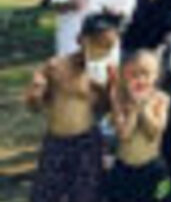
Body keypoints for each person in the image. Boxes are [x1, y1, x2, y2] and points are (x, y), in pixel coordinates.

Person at [26, 12, 121, 202]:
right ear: (81, 40)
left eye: (109, 46)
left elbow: (104, 109)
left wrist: (110, 89)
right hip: (57, 141)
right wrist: (36, 92)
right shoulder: (57, 67)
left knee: (86, 194)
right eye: (98, 44)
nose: (102, 51)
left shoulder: (105, 71)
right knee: (45, 193)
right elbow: (34, 104)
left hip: (86, 142)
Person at [105, 50, 171, 202]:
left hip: (152, 167)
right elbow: (124, 134)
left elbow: (154, 132)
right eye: (134, 75)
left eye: (146, 74)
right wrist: (134, 109)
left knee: (161, 195)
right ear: (126, 76)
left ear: (156, 76)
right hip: (124, 168)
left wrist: (144, 107)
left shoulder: (161, 99)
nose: (140, 79)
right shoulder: (119, 99)